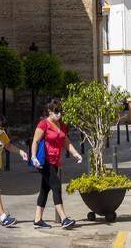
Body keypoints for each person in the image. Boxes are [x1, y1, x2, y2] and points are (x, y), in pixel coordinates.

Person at [30, 98, 82, 230]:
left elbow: (66, 142)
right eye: (56, 111)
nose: (58, 114)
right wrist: (33, 156)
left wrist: (75, 153)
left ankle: (37, 220)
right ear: (49, 112)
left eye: (60, 111)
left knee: (45, 189)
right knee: (56, 185)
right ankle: (64, 219)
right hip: (44, 160)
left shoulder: (62, 125)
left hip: (55, 160)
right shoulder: (43, 124)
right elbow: (35, 141)